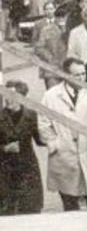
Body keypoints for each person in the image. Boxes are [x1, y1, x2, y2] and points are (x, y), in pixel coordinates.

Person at [39, 57, 87, 211]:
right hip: (65, 155)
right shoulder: (51, 96)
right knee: (70, 203)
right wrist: (55, 143)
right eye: (77, 75)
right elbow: (43, 123)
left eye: (83, 74)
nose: (81, 78)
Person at [0, 81, 44, 215]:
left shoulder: (31, 115)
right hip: (5, 171)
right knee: (7, 211)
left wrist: (51, 134)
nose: (8, 99)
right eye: (6, 94)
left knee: (31, 209)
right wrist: (5, 148)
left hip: (28, 169)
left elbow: (40, 140)